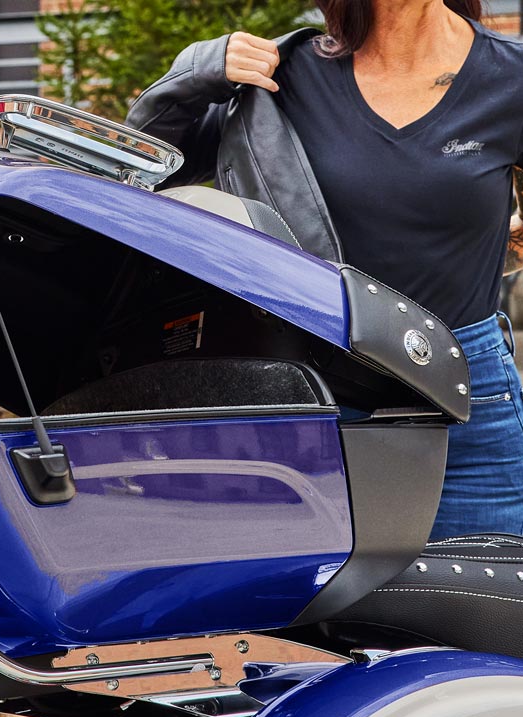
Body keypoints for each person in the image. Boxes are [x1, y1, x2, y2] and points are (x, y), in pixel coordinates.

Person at [127, 0, 523, 541]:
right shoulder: (282, 75)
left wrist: (501, 242)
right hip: (309, 398)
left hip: (469, 404)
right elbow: (141, 170)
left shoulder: (509, 77)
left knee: (476, 589)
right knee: (313, 598)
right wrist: (196, 73)